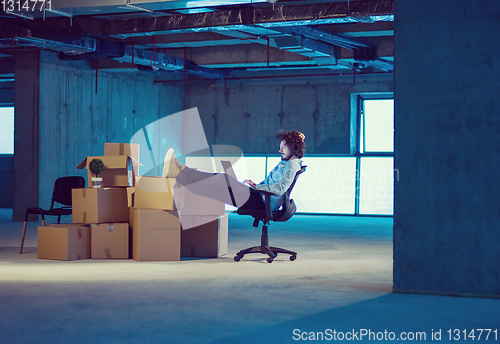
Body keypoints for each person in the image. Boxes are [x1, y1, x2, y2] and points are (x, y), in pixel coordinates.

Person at [163, 130, 305, 212]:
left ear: (293, 148)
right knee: (215, 190)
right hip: (260, 197)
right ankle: (180, 172)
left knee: (221, 180)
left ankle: (180, 172)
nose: (279, 150)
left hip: (263, 202)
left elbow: (280, 188)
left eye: (283, 147)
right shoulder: (287, 163)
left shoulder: (291, 166)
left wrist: (256, 186)